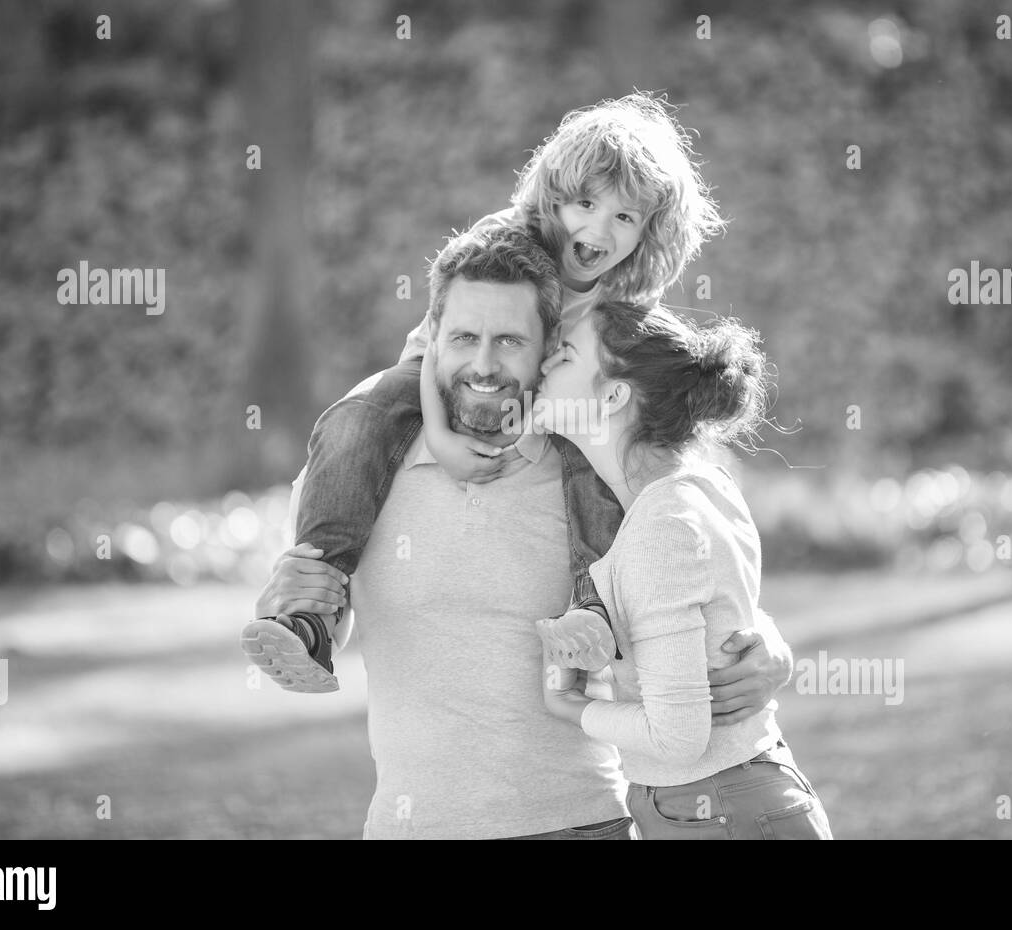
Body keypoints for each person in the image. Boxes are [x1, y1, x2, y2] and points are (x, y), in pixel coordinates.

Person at [253, 225, 792, 838]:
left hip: (585, 822)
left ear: (549, 348)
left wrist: (770, 647)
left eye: (510, 340)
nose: (483, 365)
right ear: (432, 342)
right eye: (463, 338)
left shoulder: (594, 473)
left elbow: (698, 576)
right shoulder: (354, 471)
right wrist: (295, 604)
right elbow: (340, 624)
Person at [241, 92, 725, 691]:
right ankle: (312, 612)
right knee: (357, 416)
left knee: (589, 461)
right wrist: (441, 435)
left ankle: (592, 609)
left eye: (624, 218)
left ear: (649, 233)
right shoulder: (504, 240)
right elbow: (436, 348)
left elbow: (645, 392)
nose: (597, 229)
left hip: (549, 408)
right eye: (585, 203)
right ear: (554, 196)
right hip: (438, 372)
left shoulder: (623, 299)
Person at [534, 301, 832, 839]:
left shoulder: (660, 525)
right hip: (741, 794)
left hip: (717, 806)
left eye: (565, 355)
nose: (544, 364)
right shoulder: (704, 484)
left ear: (613, 394)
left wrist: (570, 705)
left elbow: (677, 736)